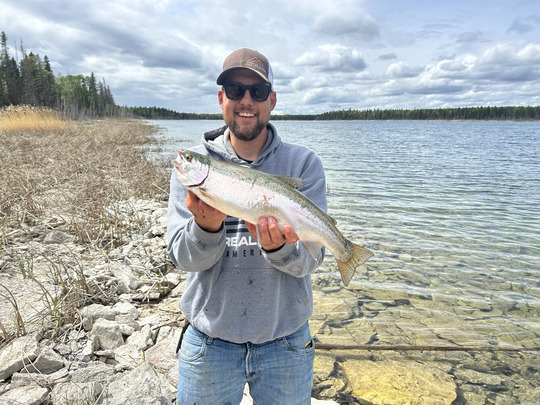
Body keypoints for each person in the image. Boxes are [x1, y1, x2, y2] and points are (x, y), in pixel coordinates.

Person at [167, 48, 327, 405]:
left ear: (272, 100)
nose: (246, 100)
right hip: (209, 342)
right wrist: (205, 230)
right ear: (221, 98)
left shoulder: (304, 164)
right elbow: (182, 258)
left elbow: (310, 262)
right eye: (236, 90)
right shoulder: (194, 168)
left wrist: (279, 249)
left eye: (256, 92)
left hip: (286, 341)